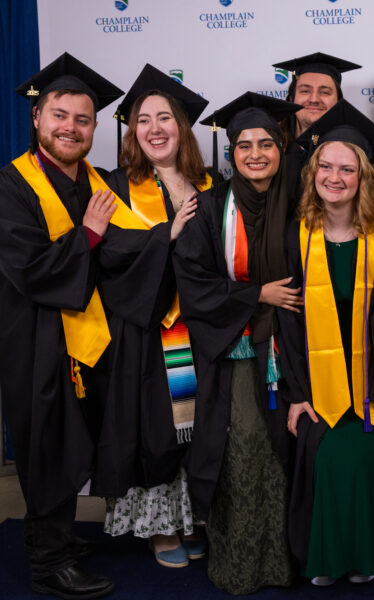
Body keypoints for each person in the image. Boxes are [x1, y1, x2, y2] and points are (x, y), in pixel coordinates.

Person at [0, 52, 137, 599]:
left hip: (93, 339)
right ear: (38, 118)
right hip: (36, 341)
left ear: (95, 126)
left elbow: (127, 253)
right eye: (60, 115)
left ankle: (57, 536)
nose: (71, 128)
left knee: (80, 439)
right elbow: (31, 268)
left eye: (83, 119)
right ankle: (47, 559)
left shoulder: (99, 182)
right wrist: (88, 236)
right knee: (47, 444)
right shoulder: (12, 184)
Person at [174, 92, 302, 594]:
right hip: (238, 351)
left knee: (288, 453)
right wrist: (256, 295)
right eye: (244, 145)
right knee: (245, 447)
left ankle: (283, 562)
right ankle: (241, 565)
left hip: (294, 345)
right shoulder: (208, 208)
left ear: (280, 147)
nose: (256, 154)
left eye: (266, 144)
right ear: (230, 154)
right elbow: (193, 280)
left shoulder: (299, 200)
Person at [94, 64, 216, 568]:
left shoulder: (210, 186)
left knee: (200, 429)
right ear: (132, 131)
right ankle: (161, 527)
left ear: (182, 128)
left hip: (202, 332)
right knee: (156, 432)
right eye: (143, 120)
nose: (154, 128)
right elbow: (106, 256)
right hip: (146, 334)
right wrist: (160, 237)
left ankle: (193, 520)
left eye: (165, 118)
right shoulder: (115, 187)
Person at [276, 100, 374, 587]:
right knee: (325, 456)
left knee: (361, 454)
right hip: (317, 388)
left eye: (346, 169)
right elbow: (286, 323)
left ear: (363, 177)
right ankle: (329, 559)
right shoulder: (295, 237)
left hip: (373, 386)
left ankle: (361, 557)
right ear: (311, 174)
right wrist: (296, 394)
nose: (334, 177)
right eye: (325, 166)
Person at [271, 52, 361, 209]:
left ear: (338, 102)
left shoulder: (352, 154)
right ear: (291, 99)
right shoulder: (271, 151)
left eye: (324, 92)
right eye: (305, 90)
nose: (314, 99)